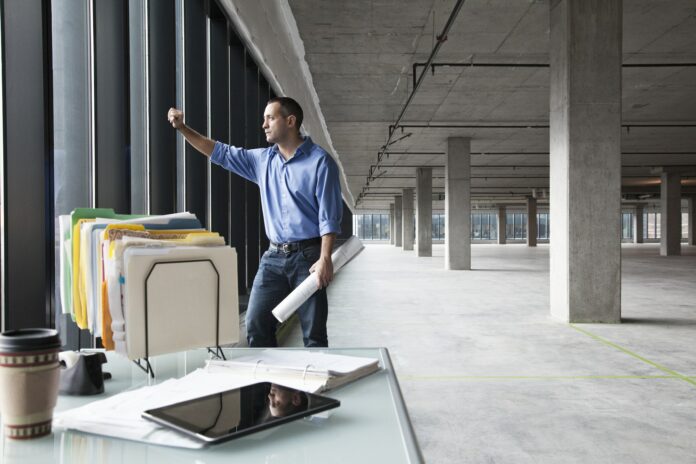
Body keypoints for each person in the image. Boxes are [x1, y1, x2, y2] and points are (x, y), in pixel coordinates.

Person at [167, 97, 342, 347]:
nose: (264, 124)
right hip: (273, 257)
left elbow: (328, 216)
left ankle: (312, 386)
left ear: (290, 121)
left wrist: (325, 258)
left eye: (270, 118)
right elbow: (219, 152)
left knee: (313, 334)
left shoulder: (320, 162)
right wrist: (183, 128)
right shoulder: (262, 161)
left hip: (309, 258)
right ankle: (272, 385)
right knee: (256, 325)